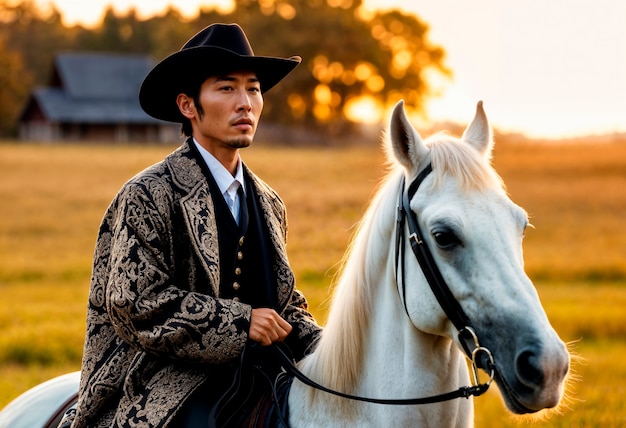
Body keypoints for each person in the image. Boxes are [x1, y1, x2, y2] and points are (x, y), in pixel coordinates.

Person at [67, 23, 322, 427]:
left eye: (253, 89)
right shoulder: (148, 194)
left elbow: (282, 301)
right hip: (166, 382)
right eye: (226, 88)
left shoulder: (270, 202)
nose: (246, 104)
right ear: (188, 106)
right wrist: (240, 322)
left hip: (261, 375)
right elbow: (134, 303)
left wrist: (327, 343)